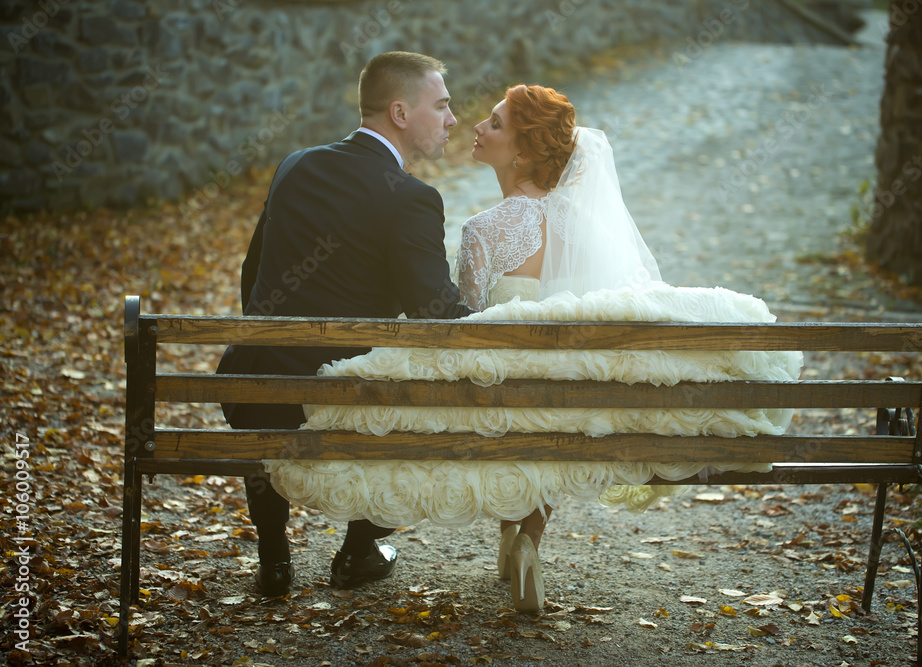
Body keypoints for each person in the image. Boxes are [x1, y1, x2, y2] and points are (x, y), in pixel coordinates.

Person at [264, 85, 802, 611]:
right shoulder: (584, 225)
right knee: (552, 393)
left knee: (509, 384)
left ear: (521, 152)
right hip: (570, 403)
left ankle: (499, 536)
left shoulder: (484, 230)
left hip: (502, 398)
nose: (476, 125)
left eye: (494, 123)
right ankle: (525, 542)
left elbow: (462, 331)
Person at [216, 51, 474, 598]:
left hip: (258, 386)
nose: (453, 119)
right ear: (400, 113)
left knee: (277, 388)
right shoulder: (411, 198)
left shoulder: (296, 164)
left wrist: (272, 337)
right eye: (443, 105)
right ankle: (358, 551)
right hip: (343, 396)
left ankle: (275, 562)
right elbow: (437, 314)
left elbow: (251, 269)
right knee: (435, 405)